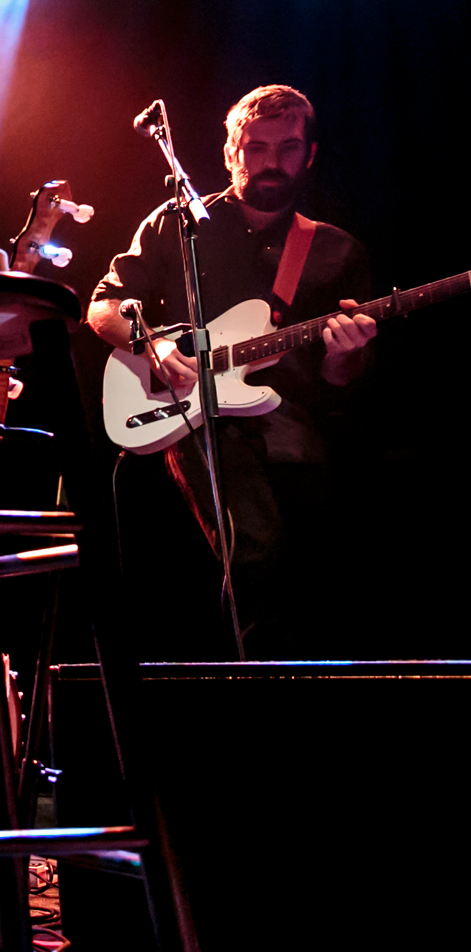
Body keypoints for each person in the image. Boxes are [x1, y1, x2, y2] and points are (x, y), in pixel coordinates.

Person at [86, 84, 376, 657]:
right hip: (192, 420)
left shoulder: (337, 251)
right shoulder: (178, 224)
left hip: (294, 431)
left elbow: (340, 381)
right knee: (258, 553)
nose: (271, 162)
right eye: (255, 147)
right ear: (229, 152)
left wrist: (347, 354)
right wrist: (151, 349)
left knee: (324, 573)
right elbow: (102, 304)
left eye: (288, 148)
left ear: (310, 154)